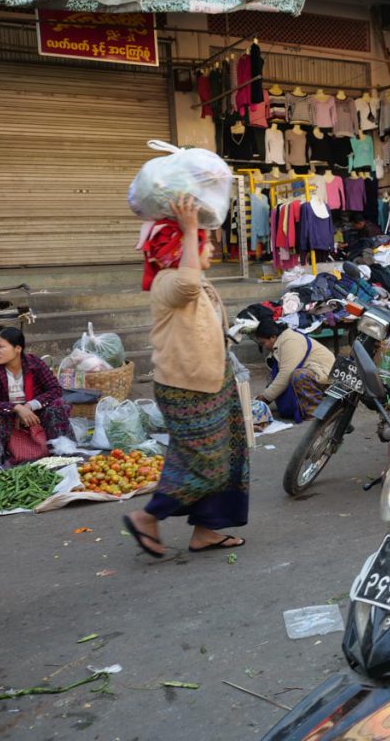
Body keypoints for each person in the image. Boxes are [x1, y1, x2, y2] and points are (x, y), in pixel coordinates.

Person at [124, 196, 249, 558]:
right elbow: (187, 286)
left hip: (214, 381)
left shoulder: (195, 278)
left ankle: (206, 531)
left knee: (230, 456)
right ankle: (148, 517)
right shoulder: (167, 281)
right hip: (187, 388)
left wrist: (195, 226)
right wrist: (190, 228)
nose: (210, 247)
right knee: (209, 466)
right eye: (203, 244)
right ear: (183, 249)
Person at [0, 327, 74, 465]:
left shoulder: (34, 364)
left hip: (35, 414)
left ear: (17, 349)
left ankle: (63, 453)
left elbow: (55, 389)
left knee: (57, 405)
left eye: (1, 347)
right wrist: (17, 408)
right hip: (6, 414)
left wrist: (30, 406)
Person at [253, 319, 335, 422]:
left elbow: (286, 374)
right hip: (313, 371)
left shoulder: (290, 341)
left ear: (273, 337)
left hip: (326, 375)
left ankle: (315, 412)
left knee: (299, 376)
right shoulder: (282, 342)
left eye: (263, 343)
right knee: (273, 382)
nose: (264, 346)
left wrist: (266, 397)